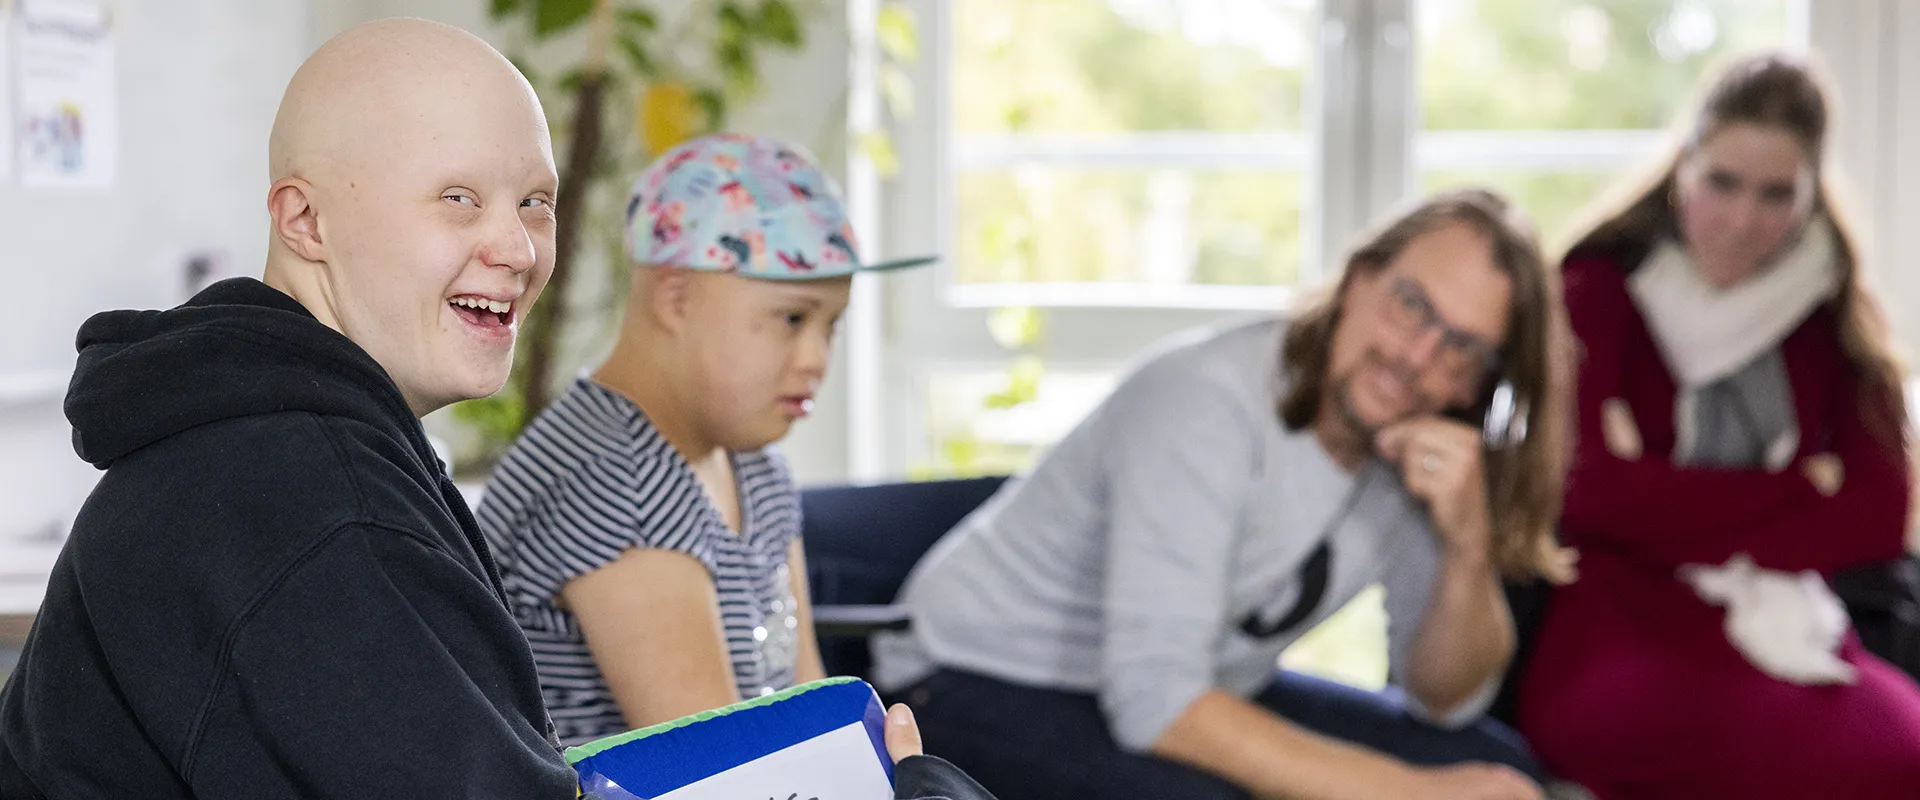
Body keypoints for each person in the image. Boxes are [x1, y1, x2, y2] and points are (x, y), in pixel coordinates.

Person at [0, 21, 984, 800]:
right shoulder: (307, 502)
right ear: (306, 221)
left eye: (535, 202)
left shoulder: (305, 444)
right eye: (459, 199)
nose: (517, 248)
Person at [870, 188, 1572, 800]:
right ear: (1358, 279)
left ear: (1481, 382)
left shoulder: (1414, 445)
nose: (1417, 359)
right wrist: (1407, 791)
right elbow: (1157, 705)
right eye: (1412, 305)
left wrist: (1468, 544)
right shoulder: (1207, 401)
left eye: (1462, 349)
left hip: (1182, 681)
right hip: (964, 674)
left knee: (1493, 764)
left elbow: (1445, 699)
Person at [1515, 51, 1920, 799]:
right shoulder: (1596, 291)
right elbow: (1586, 493)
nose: (1742, 220)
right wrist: (1796, 488)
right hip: (1615, 625)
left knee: (1904, 752)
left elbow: (1879, 515)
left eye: (1776, 194)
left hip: (1788, 622)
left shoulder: (1833, 320)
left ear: (1811, 200)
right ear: (1682, 170)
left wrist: (1664, 499)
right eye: (1722, 183)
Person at [476, 133, 932, 743]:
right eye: (793, 318)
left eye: (832, 326)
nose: (817, 358)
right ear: (676, 297)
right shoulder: (615, 484)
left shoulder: (757, 469)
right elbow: (722, 772)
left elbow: (817, 714)